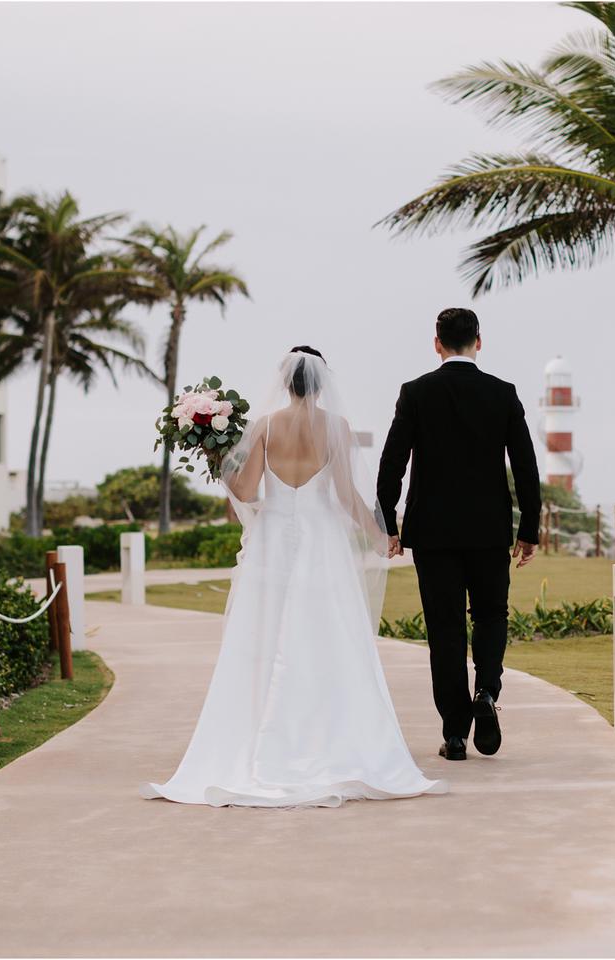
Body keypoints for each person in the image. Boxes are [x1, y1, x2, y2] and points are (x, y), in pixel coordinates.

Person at [141, 346, 447, 807]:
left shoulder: (265, 426)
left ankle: (261, 737)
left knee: (263, 636)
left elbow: (246, 491)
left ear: (285, 383)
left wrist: (219, 460)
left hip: (273, 541)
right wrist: (382, 534)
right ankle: (323, 737)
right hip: (322, 540)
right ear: (323, 384)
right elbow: (346, 494)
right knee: (327, 636)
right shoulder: (336, 427)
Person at [376, 308, 541, 761]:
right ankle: (486, 690)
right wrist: (528, 528)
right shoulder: (503, 393)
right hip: (489, 529)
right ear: (478, 341)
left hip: (433, 533)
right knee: (491, 615)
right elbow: (526, 465)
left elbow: (392, 463)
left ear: (437, 343)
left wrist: (388, 522)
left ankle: (454, 733)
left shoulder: (415, 392)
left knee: (445, 628)